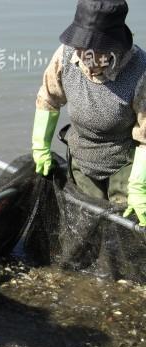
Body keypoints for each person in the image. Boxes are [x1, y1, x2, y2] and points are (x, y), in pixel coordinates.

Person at [31, 0, 146, 223]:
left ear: (115, 45)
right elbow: (48, 99)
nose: (85, 55)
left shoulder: (139, 71)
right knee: (87, 222)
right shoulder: (66, 55)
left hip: (124, 163)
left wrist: (139, 186)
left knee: (124, 227)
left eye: (95, 48)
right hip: (82, 156)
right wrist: (40, 146)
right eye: (81, 45)